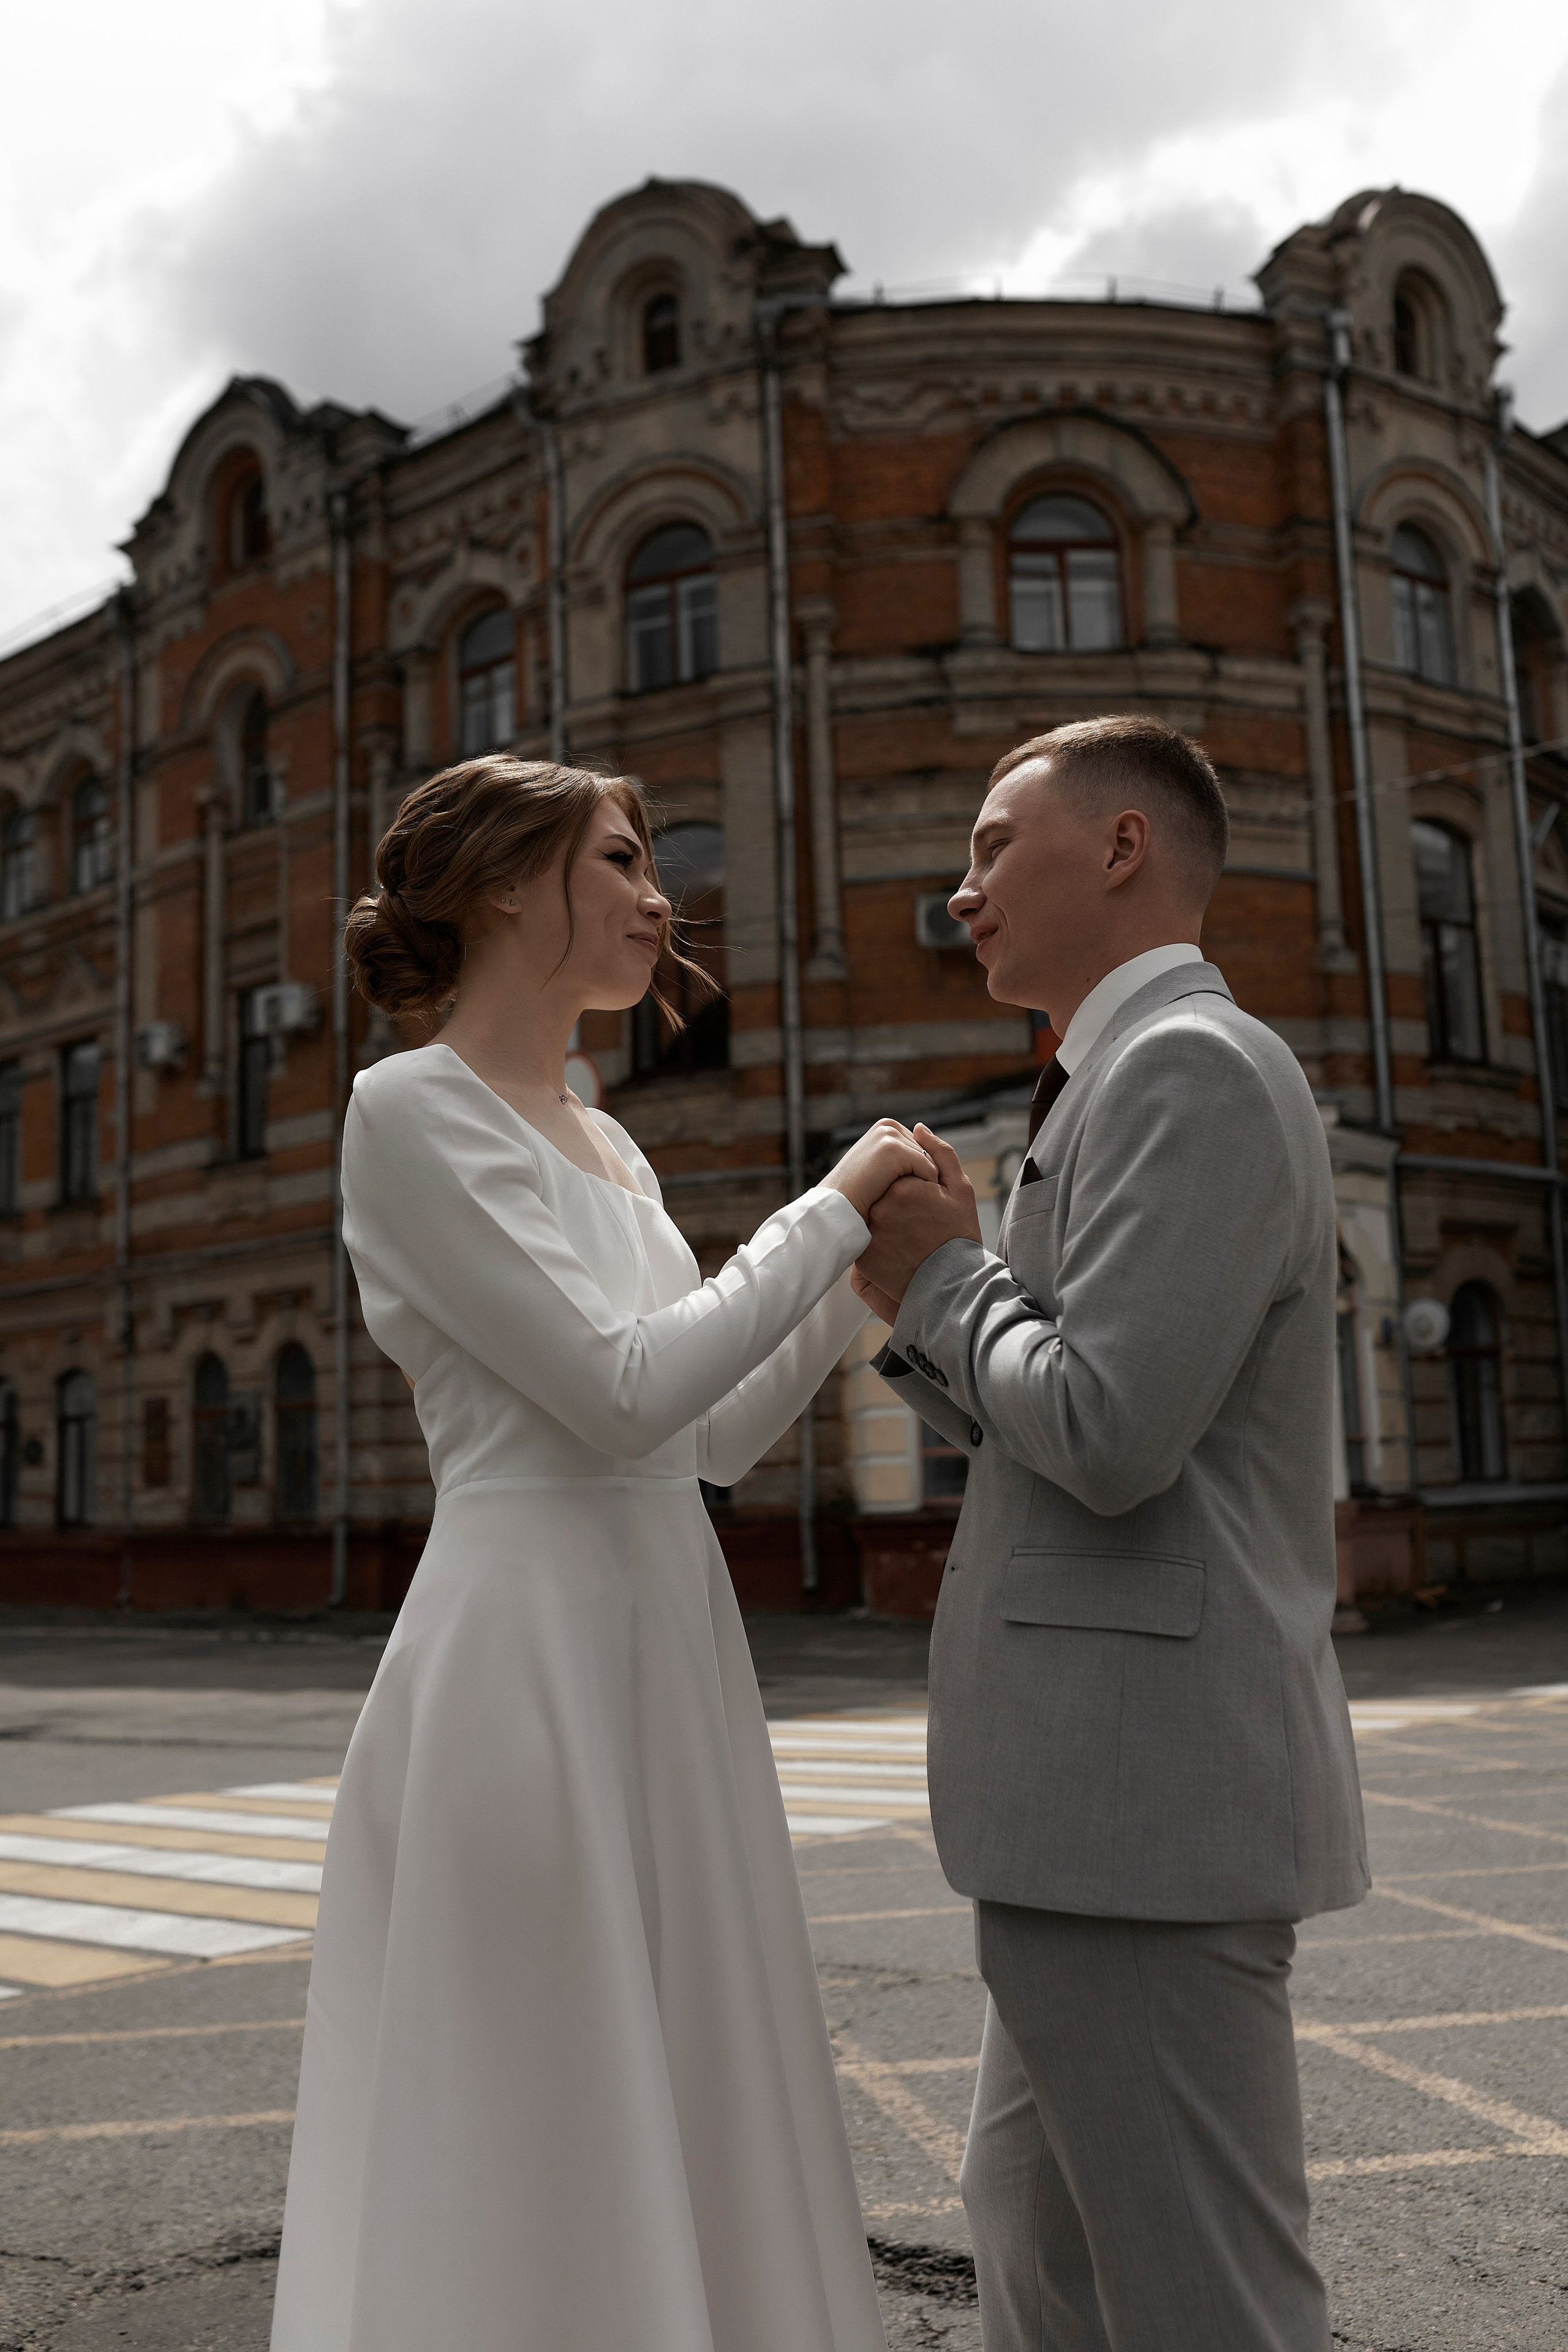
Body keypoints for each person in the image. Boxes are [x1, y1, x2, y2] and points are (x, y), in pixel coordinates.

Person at [269, 755, 919, 2352]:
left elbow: (702, 1437)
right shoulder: (408, 1108)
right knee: (537, 2099)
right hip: (525, 1665)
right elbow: (620, 1394)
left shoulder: (611, 1144)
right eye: (621, 862)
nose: (658, 898)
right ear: (505, 882)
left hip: (663, 1644)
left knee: (691, 2062)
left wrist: (863, 1287)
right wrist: (828, 1211)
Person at [853, 716, 1368, 2352]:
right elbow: (1057, 1419)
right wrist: (925, 1298)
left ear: (1126, 846)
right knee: (1042, 2256)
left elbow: (1108, 1429)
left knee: (1206, 2296)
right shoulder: (1115, 1079)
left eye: (999, 844)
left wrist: (946, 1275)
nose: (963, 890)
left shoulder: (1190, 1069)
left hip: (1146, 1798)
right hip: (1097, 1807)